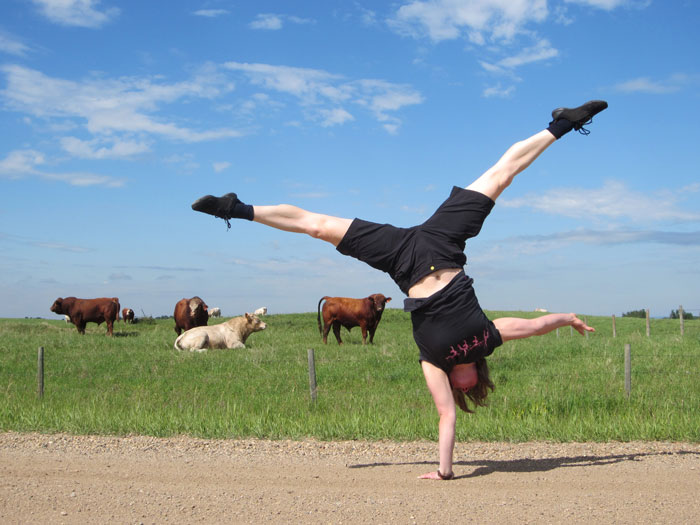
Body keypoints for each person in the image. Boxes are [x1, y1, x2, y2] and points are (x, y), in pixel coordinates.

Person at [191, 100, 607, 480]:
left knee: (318, 227)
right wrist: (568, 319)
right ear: (477, 375)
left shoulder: (434, 362)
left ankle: (236, 210)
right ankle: (564, 124)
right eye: (467, 389)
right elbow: (535, 327)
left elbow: (446, 418)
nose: (460, 390)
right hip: (444, 244)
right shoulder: (487, 339)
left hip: (403, 261)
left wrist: (444, 472)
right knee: (501, 175)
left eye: (459, 392)